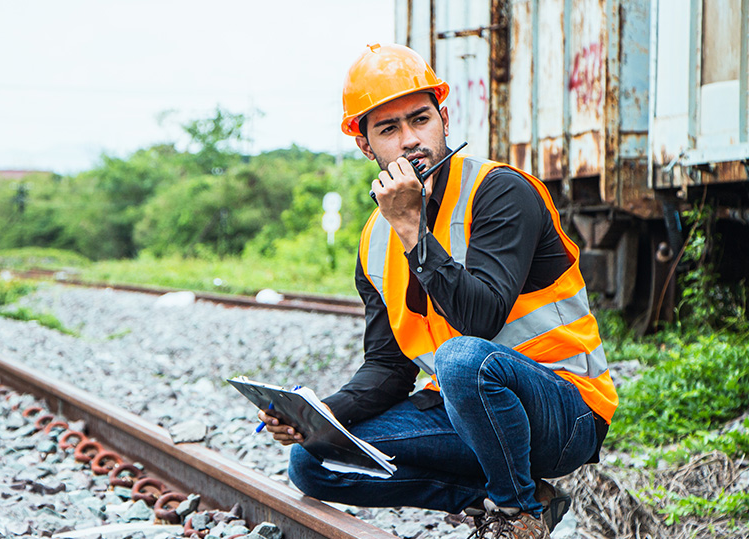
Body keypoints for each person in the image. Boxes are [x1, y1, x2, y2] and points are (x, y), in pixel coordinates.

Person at [258, 43, 618, 539]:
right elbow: (388, 369)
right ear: (366, 146)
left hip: (563, 410)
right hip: (468, 414)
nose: (410, 140)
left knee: (461, 359)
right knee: (312, 462)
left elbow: (480, 320)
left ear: (443, 117)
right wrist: (313, 417)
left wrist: (412, 229)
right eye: (389, 129)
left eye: (420, 119)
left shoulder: (500, 192)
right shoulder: (374, 238)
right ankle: (514, 500)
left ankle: (516, 519)